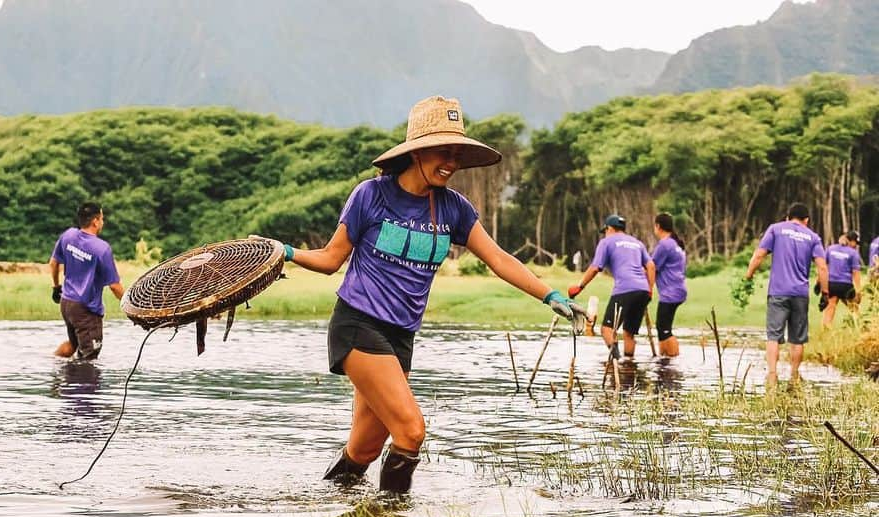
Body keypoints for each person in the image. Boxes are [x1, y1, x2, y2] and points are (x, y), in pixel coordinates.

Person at [280, 96, 585, 493]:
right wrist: (284, 252)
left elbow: (497, 258)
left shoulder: (454, 208)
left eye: (457, 154)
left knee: (366, 447)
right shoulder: (371, 196)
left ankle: (330, 506)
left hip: (401, 336)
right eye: (445, 151)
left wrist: (551, 295)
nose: (452, 162)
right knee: (410, 431)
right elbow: (330, 258)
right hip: (358, 325)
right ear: (418, 151)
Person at [743, 203, 828, 385]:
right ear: (806, 220)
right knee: (797, 338)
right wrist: (825, 293)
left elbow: (759, 255)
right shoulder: (813, 237)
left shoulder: (776, 229)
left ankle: (772, 374)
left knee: (773, 336)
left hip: (778, 293)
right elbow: (822, 266)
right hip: (800, 294)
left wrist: (748, 276)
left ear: (788, 217)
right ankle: (794, 375)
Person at [568, 214, 655, 359]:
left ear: (609, 228)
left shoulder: (606, 242)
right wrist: (650, 290)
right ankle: (629, 366)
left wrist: (580, 286)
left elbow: (596, 268)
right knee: (629, 333)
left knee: (606, 330)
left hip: (624, 289)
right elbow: (651, 266)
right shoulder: (637, 242)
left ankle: (617, 361)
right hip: (643, 290)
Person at [49, 202, 124, 360]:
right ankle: (76, 381)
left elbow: (53, 263)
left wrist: (56, 287)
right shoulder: (102, 249)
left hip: (66, 303)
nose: (103, 222)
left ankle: (53, 367)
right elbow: (115, 286)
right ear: (95, 221)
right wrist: (131, 304)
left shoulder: (68, 236)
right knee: (89, 356)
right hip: (85, 310)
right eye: (102, 218)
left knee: (73, 345)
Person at [650, 213, 687, 357]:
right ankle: (664, 360)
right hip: (678, 289)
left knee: (663, 328)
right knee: (663, 328)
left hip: (670, 293)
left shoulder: (665, 245)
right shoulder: (675, 244)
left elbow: (652, 266)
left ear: (658, 226)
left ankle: (673, 360)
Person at [820, 231, 862, 327]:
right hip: (846, 286)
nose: (856, 246)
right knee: (854, 309)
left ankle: (826, 329)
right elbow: (856, 273)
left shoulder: (830, 249)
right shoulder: (853, 253)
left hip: (832, 284)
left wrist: (820, 282)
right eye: (856, 243)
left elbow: (823, 266)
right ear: (851, 241)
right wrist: (858, 291)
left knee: (830, 307)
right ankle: (861, 328)